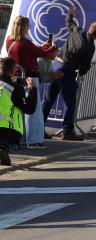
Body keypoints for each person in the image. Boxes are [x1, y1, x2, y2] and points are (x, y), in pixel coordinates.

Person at [42, 8, 96, 141]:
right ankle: (67, 131)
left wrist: (70, 14)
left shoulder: (78, 30)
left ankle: (39, 128)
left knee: (48, 100)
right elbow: (85, 66)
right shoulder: (89, 46)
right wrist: (80, 73)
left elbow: (69, 23)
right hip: (66, 70)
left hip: (55, 64)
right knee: (70, 102)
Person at [5, 15, 57, 148]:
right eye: (28, 26)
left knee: (20, 109)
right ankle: (34, 140)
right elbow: (42, 54)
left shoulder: (9, 41)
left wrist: (41, 47)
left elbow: (29, 52)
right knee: (34, 110)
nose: (29, 28)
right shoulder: (25, 43)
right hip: (30, 78)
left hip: (16, 78)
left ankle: (22, 138)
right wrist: (52, 47)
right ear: (24, 27)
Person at [0, 57, 38, 165]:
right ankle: (4, 147)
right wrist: (32, 90)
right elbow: (29, 109)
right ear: (13, 70)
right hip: (7, 129)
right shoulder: (13, 88)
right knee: (10, 141)